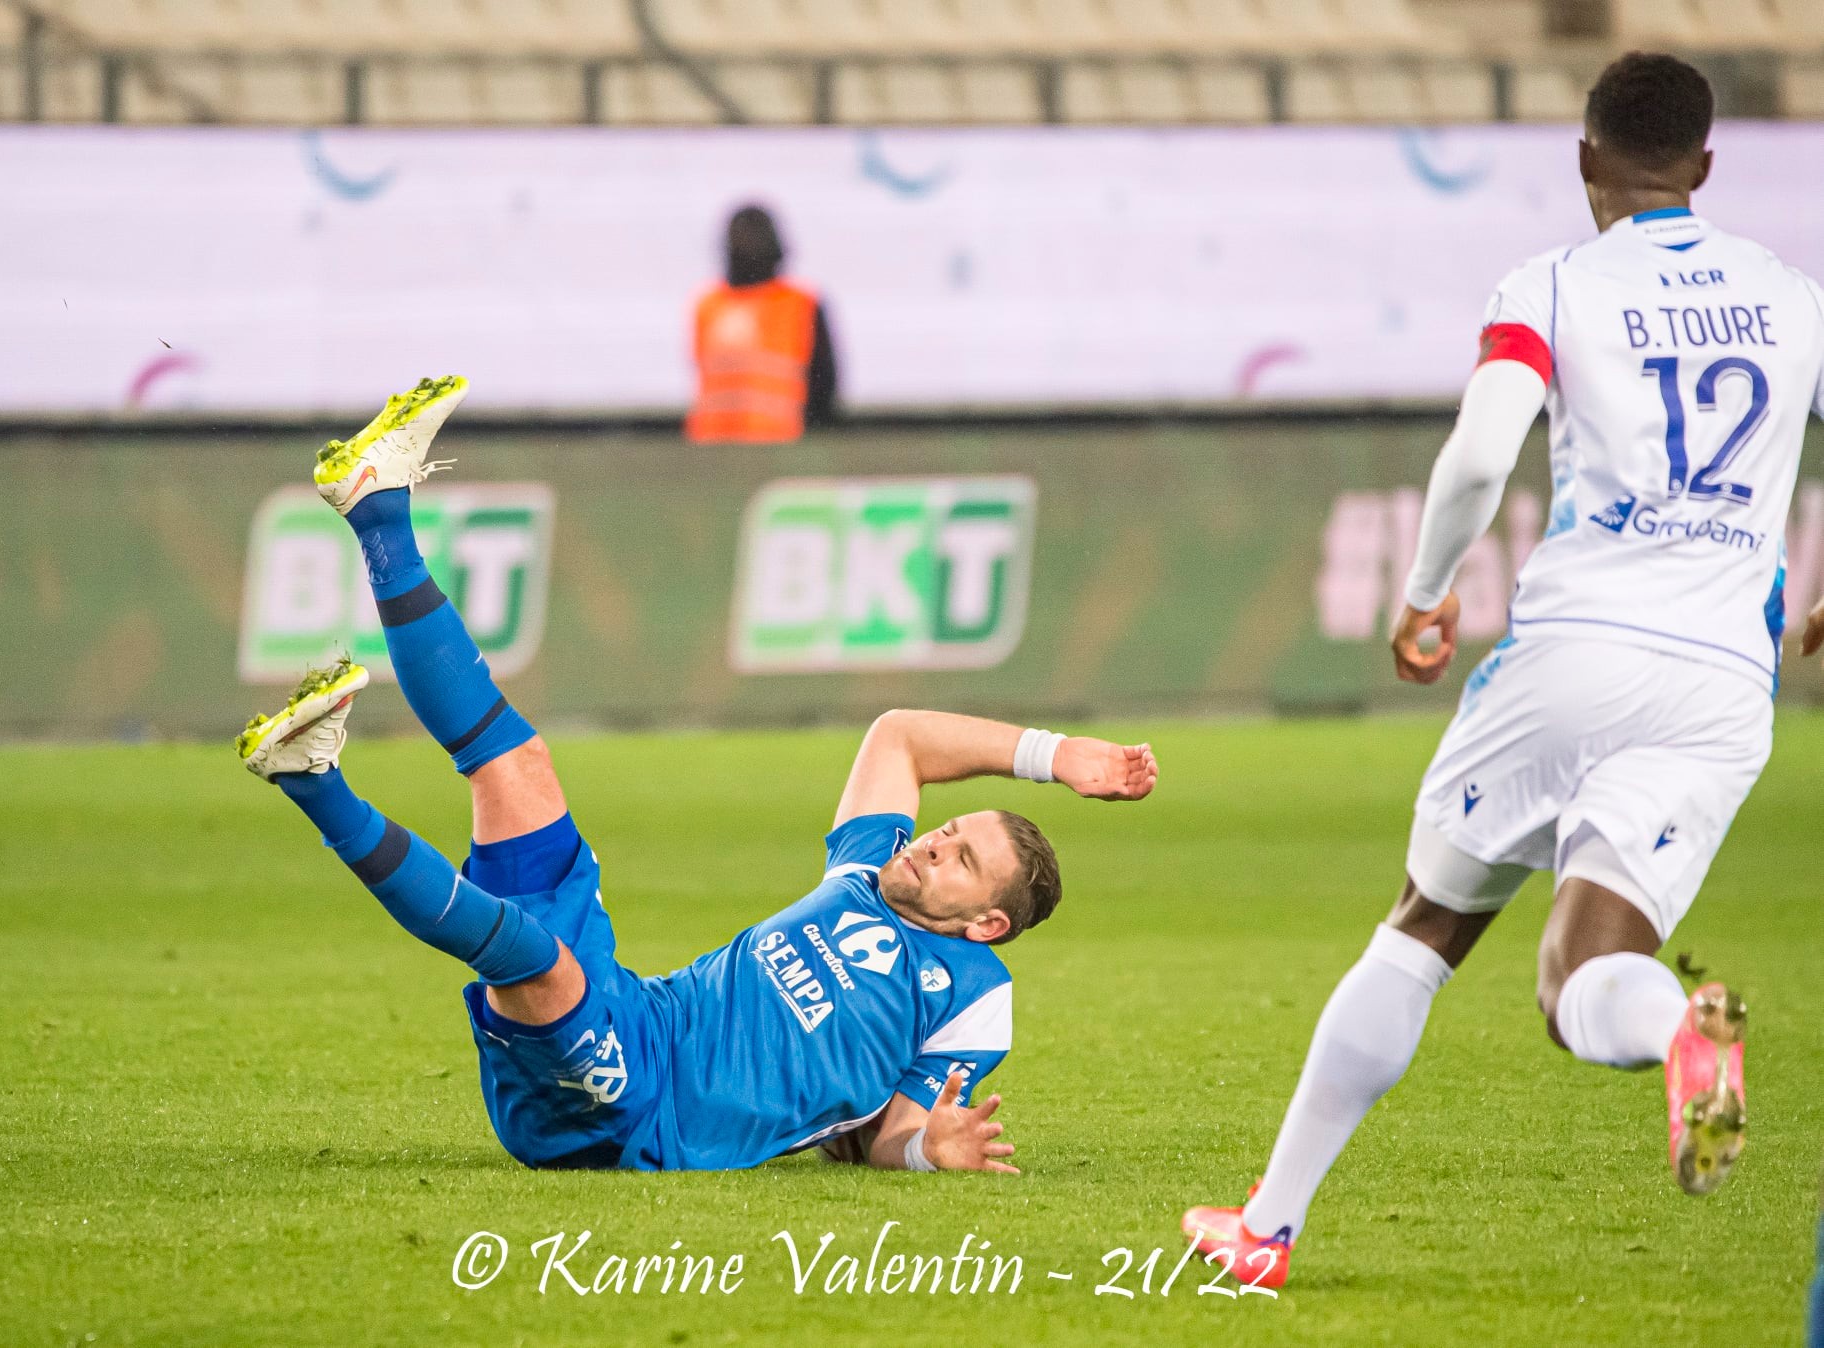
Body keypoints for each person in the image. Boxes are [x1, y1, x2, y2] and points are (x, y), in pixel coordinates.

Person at [1183, 52, 1824, 1289]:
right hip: (1718, 688)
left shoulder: (1554, 285)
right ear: (1703, 168)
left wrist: (1423, 595)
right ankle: (1673, 1029)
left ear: (1585, 159)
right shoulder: (1793, 296)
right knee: (1581, 973)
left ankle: (1266, 1227)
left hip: (1574, 655)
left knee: (1425, 927)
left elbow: (1482, 454)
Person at [236, 375, 1157, 1172]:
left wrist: (928, 1149)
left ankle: (313, 779)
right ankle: (378, 509)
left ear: (987, 924)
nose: (933, 842)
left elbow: (896, 1134)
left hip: (645, 1110)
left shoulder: (970, 994)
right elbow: (901, 735)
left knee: (540, 966)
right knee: (517, 768)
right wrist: (1055, 756)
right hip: (642, 1013)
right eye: (950, 829)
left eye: (959, 859)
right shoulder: (866, 871)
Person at [685, 204, 838, 444]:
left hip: (772, 449)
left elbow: (823, 388)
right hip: (720, 450)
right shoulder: (708, 306)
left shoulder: (710, 306)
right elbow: (825, 388)